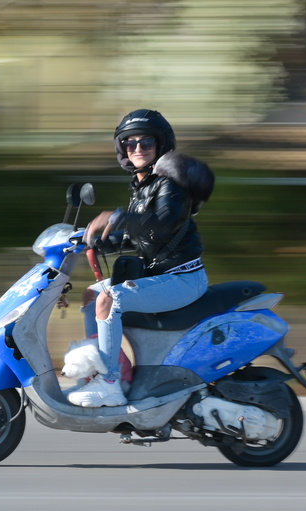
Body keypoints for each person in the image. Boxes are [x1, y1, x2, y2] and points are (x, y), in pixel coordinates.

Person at [63, 109, 209, 409]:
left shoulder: (171, 184)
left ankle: (110, 383)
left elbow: (161, 222)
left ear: (161, 146)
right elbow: (142, 235)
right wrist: (94, 241)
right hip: (160, 275)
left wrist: (116, 217)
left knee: (109, 300)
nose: (138, 149)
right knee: (92, 294)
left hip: (182, 278)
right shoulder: (143, 186)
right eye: (130, 143)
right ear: (122, 149)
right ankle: (113, 371)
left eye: (146, 142)